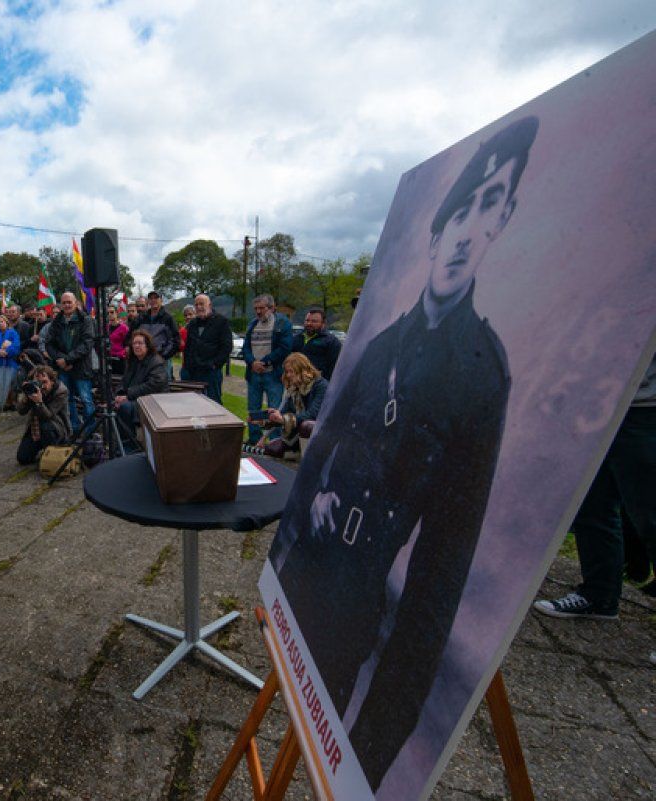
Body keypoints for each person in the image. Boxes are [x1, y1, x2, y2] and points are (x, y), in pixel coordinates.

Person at [270, 116, 534, 791]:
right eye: (460, 210)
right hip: (301, 573)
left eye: (489, 207)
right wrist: (316, 498)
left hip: (349, 610)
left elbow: (434, 591)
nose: (468, 230)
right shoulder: (382, 343)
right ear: (437, 227)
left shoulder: (481, 375)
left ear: (501, 223)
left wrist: (364, 758)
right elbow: (326, 452)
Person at [534, 354, 655, 619]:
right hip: (597, 402)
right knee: (591, 505)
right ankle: (599, 597)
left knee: (649, 515)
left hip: (645, 411)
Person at [240, 294, 294, 443]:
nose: (258, 312)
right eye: (255, 308)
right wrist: (252, 363)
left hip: (273, 375)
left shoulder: (283, 323)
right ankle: (254, 439)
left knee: (274, 410)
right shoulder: (252, 324)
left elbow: (285, 348)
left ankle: (274, 442)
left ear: (272, 307)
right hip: (254, 374)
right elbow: (245, 348)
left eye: (261, 308)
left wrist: (264, 362)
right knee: (253, 409)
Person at [256, 353, 329, 458]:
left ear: (302, 370)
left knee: (307, 425)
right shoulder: (294, 388)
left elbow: (313, 414)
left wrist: (284, 419)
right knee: (272, 449)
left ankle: (307, 459)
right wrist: (264, 420)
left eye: (291, 371)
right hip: (296, 433)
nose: (288, 375)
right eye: (287, 372)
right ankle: (295, 452)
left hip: (320, 434)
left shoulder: (321, 386)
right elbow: (283, 413)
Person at [46, 292, 95, 432]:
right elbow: (49, 344)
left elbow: (87, 344)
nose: (67, 305)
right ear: (61, 304)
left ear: (76, 303)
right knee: (68, 400)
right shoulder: (56, 322)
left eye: (70, 302)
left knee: (86, 400)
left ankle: (90, 431)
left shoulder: (86, 320)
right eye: (64, 302)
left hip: (81, 367)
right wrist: (60, 359)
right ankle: (74, 428)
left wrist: (68, 359)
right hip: (63, 369)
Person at [113, 329, 168, 437]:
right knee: (109, 406)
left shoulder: (156, 361)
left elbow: (154, 385)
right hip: (135, 398)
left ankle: (128, 445)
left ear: (147, 345)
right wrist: (119, 395)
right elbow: (124, 381)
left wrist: (128, 395)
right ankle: (115, 444)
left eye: (140, 343)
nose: (136, 346)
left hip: (152, 401)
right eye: (134, 343)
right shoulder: (133, 361)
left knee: (125, 407)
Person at [16, 365, 71, 465]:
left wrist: (39, 402)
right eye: (38, 383)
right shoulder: (32, 390)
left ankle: (52, 452)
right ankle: (40, 447)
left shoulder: (61, 391)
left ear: (52, 381)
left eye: (44, 382)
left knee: (45, 425)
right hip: (35, 430)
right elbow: (21, 411)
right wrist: (26, 396)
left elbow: (48, 415)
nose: (41, 386)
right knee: (22, 458)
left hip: (56, 429)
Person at [182, 294, 232, 402]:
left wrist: (215, 364)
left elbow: (226, 347)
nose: (199, 307)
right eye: (196, 304)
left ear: (209, 305)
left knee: (213, 403)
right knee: (194, 403)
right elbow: (188, 347)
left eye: (202, 304)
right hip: (194, 372)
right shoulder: (192, 324)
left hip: (211, 372)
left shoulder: (221, 322)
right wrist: (187, 365)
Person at [136, 291, 180, 379]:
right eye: (151, 298)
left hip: (161, 361)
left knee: (162, 387)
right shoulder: (142, 318)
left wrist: (163, 356)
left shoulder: (168, 318)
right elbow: (133, 336)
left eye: (156, 298)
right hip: (144, 360)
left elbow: (175, 341)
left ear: (161, 300)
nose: (153, 300)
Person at [291, 307, 342, 380]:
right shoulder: (296, 338)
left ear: (323, 323)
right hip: (297, 381)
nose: (309, 323)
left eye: (314, 321)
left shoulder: (332, 341)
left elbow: (334, 367)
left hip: (318, 384)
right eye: (307, 320)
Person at [0, 313, 21, 412]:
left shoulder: (13, 333)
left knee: (11, 383)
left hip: (10, 362)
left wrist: (7, 352)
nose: (0, 324)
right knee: (1, 383)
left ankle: (13, 403)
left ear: (6, 322)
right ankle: (4, 403)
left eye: (2, 322)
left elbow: (16, 346)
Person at [107, 306, 129, 375]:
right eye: (108, 313)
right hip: (109, 358)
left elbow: (128, 344)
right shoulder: (106, 327)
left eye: (112, 312)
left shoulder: (124, 328)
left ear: (116, 313)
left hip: (120, 359)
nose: (110, 314)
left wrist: (122, 354)